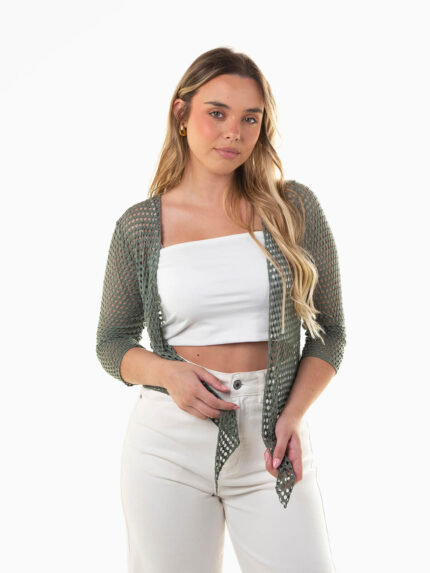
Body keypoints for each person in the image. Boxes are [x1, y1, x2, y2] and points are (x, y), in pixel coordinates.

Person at [96, 46, 346, 573]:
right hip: (167, 444)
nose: (234, 132)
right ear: (182, 114)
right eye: (217, 113)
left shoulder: (293, 208)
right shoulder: (139, 227)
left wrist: (293, 415)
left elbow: (331, 333)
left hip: (270, 442)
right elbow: (112, 342)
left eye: (250, 118)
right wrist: (168, 374)